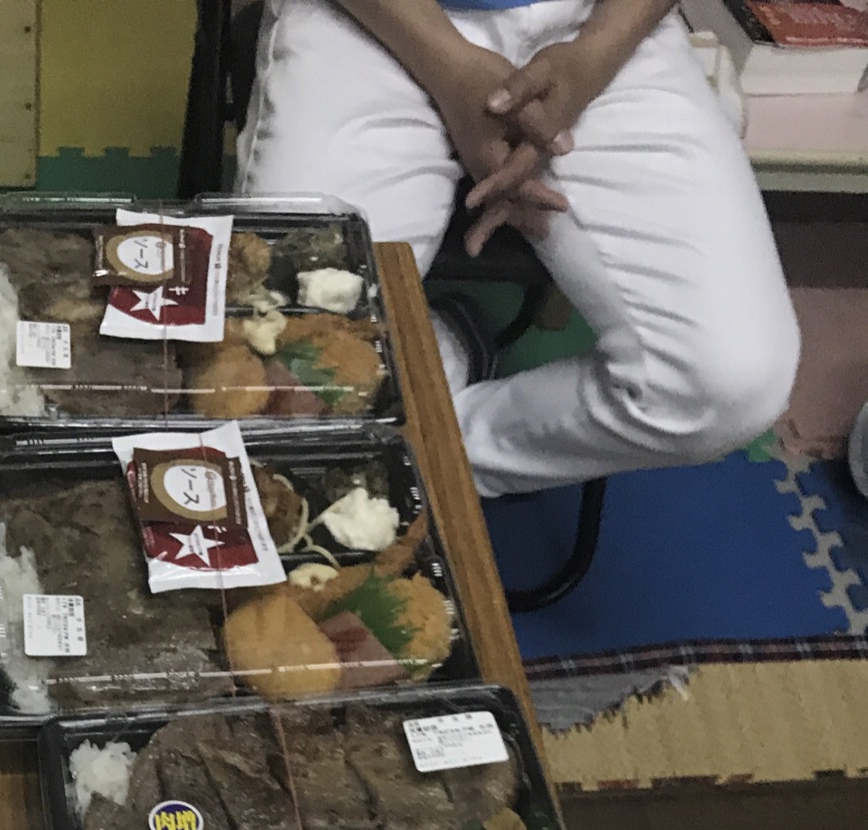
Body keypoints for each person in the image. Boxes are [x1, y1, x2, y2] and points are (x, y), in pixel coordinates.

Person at [237, 0, 801, 497]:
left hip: (602, 27)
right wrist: (451, 69)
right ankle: (428, 364)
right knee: (279, 368)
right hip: (371, 22)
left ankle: (414, 446)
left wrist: (591, 62)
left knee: (730, 386)